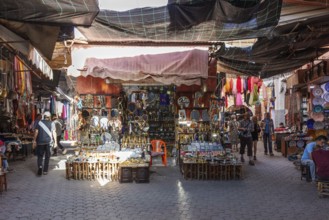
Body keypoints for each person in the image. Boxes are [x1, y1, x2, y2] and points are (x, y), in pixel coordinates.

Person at [32, 111, 57, 176]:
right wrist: (56, 142)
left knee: (40, 156)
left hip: (40, 142)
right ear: (49, 117)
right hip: (48, 142)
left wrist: (34, 140)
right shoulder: (52, 123)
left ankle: (40, 167)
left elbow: (36, 132)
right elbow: (54, 133)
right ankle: (45, 170)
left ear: (44, 116)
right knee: (47, 156)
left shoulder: (39, 122)